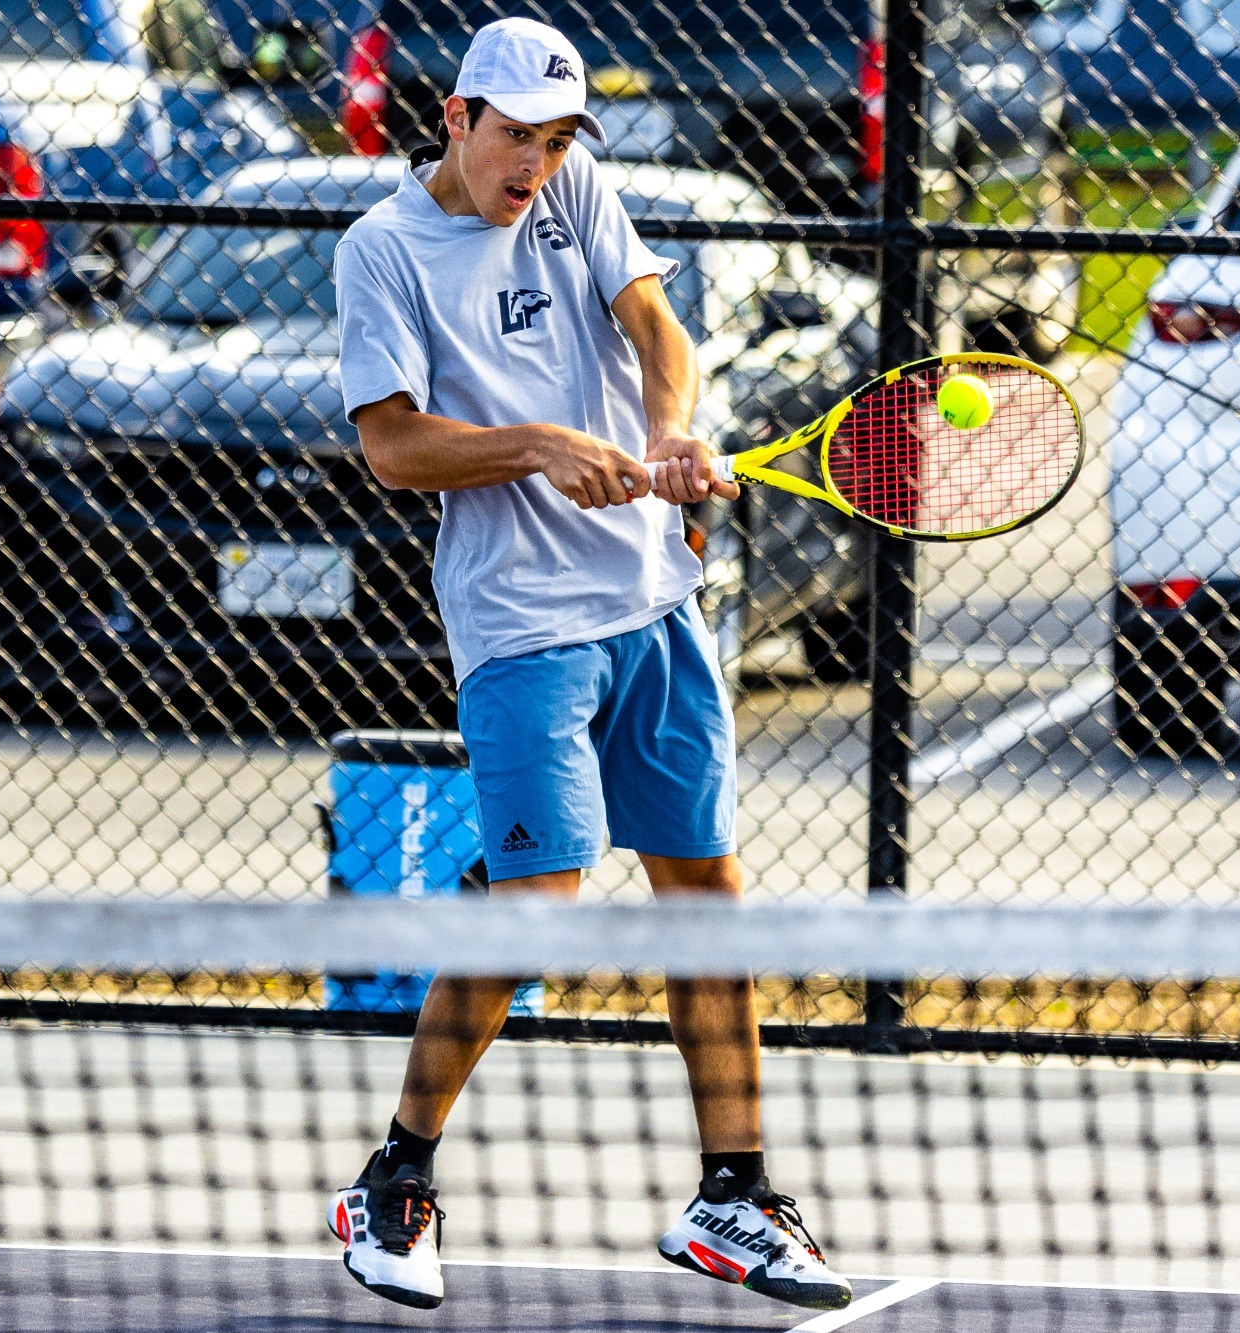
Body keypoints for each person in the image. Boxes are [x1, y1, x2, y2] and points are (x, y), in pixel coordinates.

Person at [324, 15, 852, 1315]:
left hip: (653, 603)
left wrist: (670, 431)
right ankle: (395, 1176)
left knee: (707, 890)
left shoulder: (580, 193)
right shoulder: (384, 252)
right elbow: (392, 447)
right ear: (455, 117)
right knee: (536, 902)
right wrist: (540, 445)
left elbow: (660, 332)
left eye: (559, 139)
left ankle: (732, 1193)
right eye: (516, 136)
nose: (538, 164)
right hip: (520, 621)